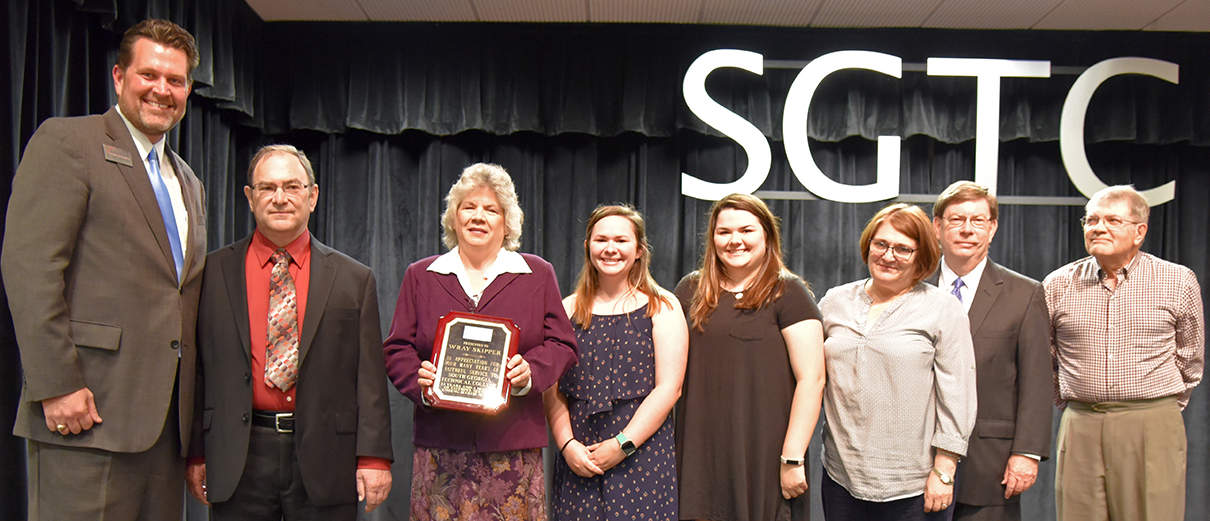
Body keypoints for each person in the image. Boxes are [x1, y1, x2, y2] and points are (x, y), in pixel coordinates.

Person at [1, 19, 206, 521]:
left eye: (175, 81)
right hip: (84, 415)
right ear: (119, 77)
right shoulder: (70, 142)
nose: (163, 90)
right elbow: (30, 267)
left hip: (163, 431)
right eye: (149, 75)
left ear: (188, 90)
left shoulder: (190, 182)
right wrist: (56, 384)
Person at [183, 145, 394, 519]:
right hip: (237, 454)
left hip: (326, 454)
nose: (280, 198)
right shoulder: (211, 273)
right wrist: (197, 450)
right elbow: (199, 370)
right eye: (267, 188)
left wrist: (374, 456)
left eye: (292, 187)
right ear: (249, 198)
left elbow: (369, 378)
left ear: (312, 196)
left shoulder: (353, 279)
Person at [383, 162, 578, 520]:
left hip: (512, 449)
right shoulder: (422, 275)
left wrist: (530, 373)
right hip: (441, 447)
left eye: (491, 210)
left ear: (507, 224)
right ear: (453, 218)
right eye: (468, 207)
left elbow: (563, 344)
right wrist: (421, 383)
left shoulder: (536, 273)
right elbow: (397, 349)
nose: (478, 216)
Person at [1044, 184, 1203, 521]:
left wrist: (1154, 410)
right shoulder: (1058, 284)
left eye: (1112, 221)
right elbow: (1046, 356)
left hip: (1151, 424)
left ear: (1139, 231)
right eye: (1092, 220)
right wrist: (1072, 400)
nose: (1098, 228)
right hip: (1081, 422)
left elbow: (1190, 357)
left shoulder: (1177, 281)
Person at [817, 203, 976, 521]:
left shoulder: (942, 308)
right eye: (882, 244)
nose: (889, 256)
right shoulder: (834, 302)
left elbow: (957, 393)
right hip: (840, 478)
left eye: (904, 249)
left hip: (914, 485)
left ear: (921, 255)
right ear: (868, 245)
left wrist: (944, 470)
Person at [674, 193, 825, 521]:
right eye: (724, 232)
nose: (734, 240)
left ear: (767, 236)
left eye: (746, 230)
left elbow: (812, 380)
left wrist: (793, 457)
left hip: (766, 455)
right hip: (700, 454)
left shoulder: (789, 292)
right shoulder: (690, 292)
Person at [544, 205, 688, 521]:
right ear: (588, 247)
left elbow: (669, 389)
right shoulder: (565, 309)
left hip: (642, 454)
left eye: (621, 240)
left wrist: (622, 445)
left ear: (639, 250)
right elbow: (552, 391)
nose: (610, 249)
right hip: (578, 459)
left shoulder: (662, 306)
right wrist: (567, 445)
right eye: (601, 240)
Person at [928, 181, 1052, 521]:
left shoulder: (1024, 294)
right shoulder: (912, 287)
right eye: (956, 220)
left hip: (990, 464)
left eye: (978, 220)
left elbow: (1037, 380)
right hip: (915, 461)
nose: (967, 229)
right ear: (937, 226)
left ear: (992, 227)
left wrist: (1026, 452)